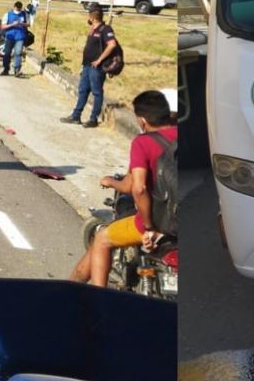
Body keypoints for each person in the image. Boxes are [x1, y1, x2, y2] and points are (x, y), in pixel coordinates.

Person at [70, 91, 177, 287]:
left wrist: (149, 227)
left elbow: (137, 188)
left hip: (159, 221)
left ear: (142, 120)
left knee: (101, 240)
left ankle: (99, 297)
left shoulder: (143, 142)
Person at [60, 5, 116, 128]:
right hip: (87, 65)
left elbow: (112, 44)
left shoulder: (105, 29)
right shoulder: (93, 28)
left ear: (92, 17)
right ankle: (76, 115)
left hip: (97, 67)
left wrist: (99, 60)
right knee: (83, 90)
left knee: (97, 92)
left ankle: (93, 118)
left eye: (89, 15)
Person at [0, 1, 28, 77]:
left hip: (20, 37)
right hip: (10, 36)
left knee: (18, 53)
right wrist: (12, 24)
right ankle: (6, 69)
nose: (18, 10)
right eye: (17, 9)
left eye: (19, 9)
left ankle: (17, 70)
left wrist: (21, 23)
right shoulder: (8, 14)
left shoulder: (24, 14)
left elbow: (28, 24)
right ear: (14, 7)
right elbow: (3, 26)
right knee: (7, 53)